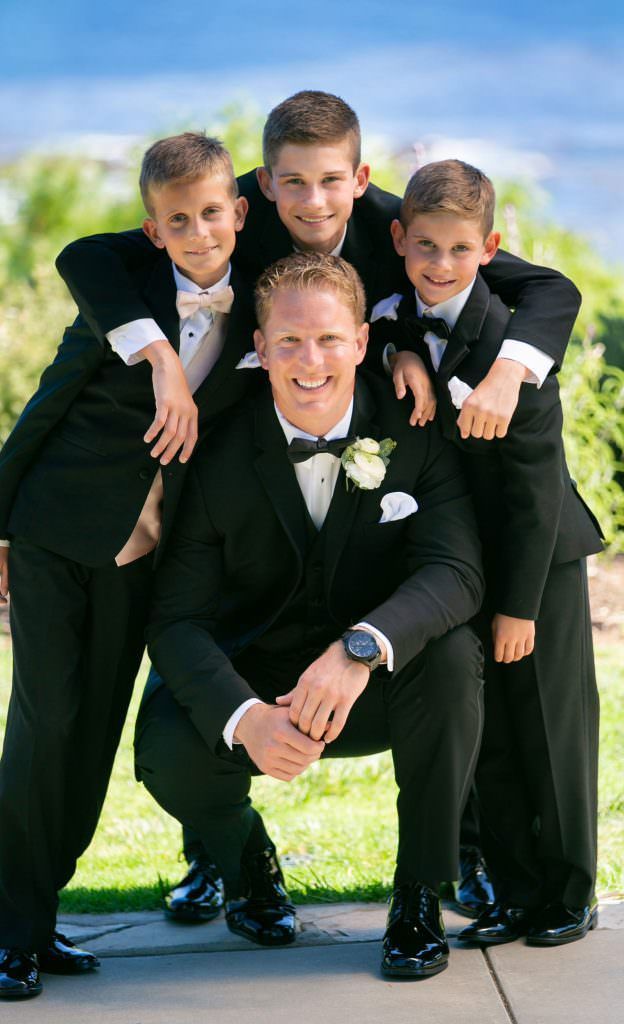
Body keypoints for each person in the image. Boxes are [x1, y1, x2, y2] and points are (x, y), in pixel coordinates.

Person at [55, 90, 581, 917]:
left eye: (331, 181)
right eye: (292, 183)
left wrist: (433, 352)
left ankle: (446, 866)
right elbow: (91, 258)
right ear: (262, 185)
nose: (313, 201)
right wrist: (158, 358)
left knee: (453, 658)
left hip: (390, 446)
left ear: (360, 179)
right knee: (178, 715)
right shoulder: (231, 222)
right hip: (231, 450)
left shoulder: (396, 225)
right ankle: (225, 857)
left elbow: (541, 286)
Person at [135, 250, 485, 979]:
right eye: (288, 341)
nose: (310, 359)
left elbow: (455, 572)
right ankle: (246, 862)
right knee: (167, 733)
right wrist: (245, 716)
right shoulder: (217, 453)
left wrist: (361, 648)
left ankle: (420, 891)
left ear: (361, 342)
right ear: (259, 349)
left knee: (452, 660)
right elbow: (175, 621)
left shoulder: (417, 430)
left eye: (329, 339)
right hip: (261, 680)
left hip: (375, 689)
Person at [0, 132, 263, 1000]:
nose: (198, 233)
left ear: (240, 212)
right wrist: (159, 359)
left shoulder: (255, 298)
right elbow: (43, 405)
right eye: (178, 220)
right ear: (153, 230)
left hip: (141, 556)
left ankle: (38, 920)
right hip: (53, 532)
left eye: (212, 213)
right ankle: (8, 930)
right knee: (44, 725)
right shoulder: (122, 287)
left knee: (94, 735)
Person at [370, 158, 603, 947]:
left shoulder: (513, 350)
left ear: (490, 247)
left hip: (538, 563)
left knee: (548, 725)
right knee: (490, 735)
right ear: (399, 240)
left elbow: (536, 495)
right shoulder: (395, 315)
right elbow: (383, 322)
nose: (440, 265)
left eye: (459, 251)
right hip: (460, 561)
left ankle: (570, 890)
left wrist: (519, 608)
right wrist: (398, 347)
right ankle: (511, 888)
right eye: (425, 246)